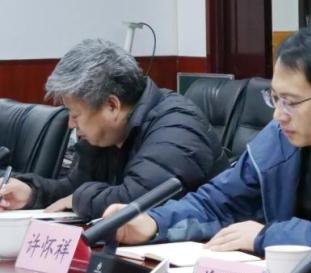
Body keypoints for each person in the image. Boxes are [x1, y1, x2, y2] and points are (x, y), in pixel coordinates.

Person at [110, 22, 311, 266]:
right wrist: (153, 222)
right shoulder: (283, 134)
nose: (278, 115)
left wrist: (266, 236)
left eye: (291, 101)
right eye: (274, 98)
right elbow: (220, 199)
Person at [0, 39, 225, 220]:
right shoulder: (106, 134)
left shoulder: (177, 128)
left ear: (112, 106)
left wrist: (77, 199)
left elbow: (136, 202)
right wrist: (32, 193)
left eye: (75, 114)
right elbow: (74, 188)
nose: (71, 124)